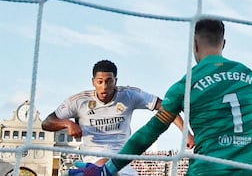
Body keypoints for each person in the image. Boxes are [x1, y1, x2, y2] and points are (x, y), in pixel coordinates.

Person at [64, 19, 252, 176]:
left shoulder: (184, 86)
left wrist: (107, 170)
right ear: (224, 44)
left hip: (210, 170)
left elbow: (149, 133)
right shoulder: (251, 77)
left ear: (194, 45)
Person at [42, 59, 194, 176]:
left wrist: (186, 133)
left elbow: (165, 107)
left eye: (109, 81)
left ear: (116, 81)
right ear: (93, 82)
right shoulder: (79, 101)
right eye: (100, 82)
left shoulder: (129, 95)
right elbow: (47, 122)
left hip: (123, 161)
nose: (104, 86)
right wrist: (67, 123)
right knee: (102, 164)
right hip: (93, 160)